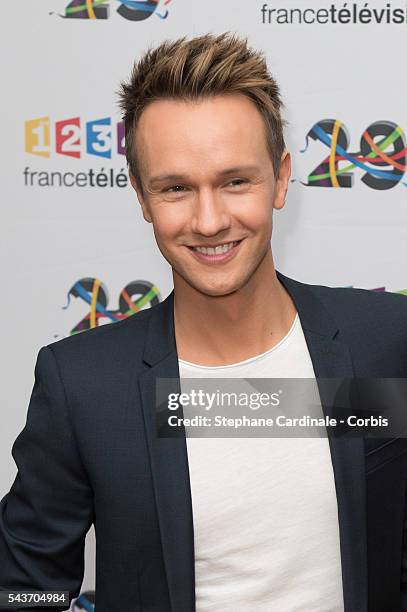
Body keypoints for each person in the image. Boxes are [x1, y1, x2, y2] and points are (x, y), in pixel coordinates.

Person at [1, 31, 407, 612]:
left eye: (235, 180)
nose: (210, 220)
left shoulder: (384, 341)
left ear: (282, 178)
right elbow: (25, 589)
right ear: (142, 198)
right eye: (175, 189)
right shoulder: (86, 388)